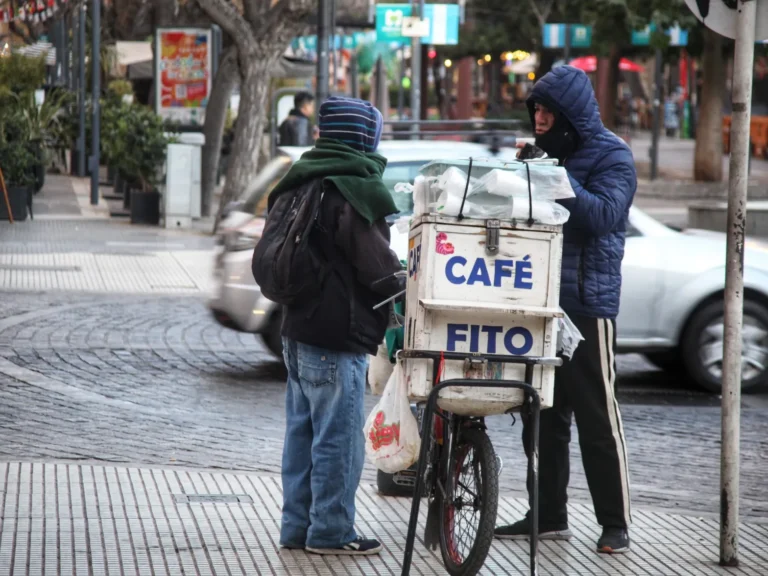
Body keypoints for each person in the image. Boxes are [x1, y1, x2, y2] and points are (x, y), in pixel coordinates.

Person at [494, 66, 636, 554]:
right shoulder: (545, 155)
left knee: (598, 418)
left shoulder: (613, 154)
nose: (538, 117)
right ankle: (548, 516)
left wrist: (549, 175)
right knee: (542, 417)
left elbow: (602, 216)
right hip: (538, 306)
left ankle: (615, 523)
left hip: (586, 304)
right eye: (535, 108)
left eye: (547, 110)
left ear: (569, 115)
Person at [272, 96, 404, 556]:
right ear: (364, 138)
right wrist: (405, 280)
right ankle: (330, 531)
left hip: (296, 331)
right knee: (338, 441)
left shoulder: (302, 178)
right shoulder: (350, 187)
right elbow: (376, 267)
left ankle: (296, 527)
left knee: (302, 436)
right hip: (334, 336)